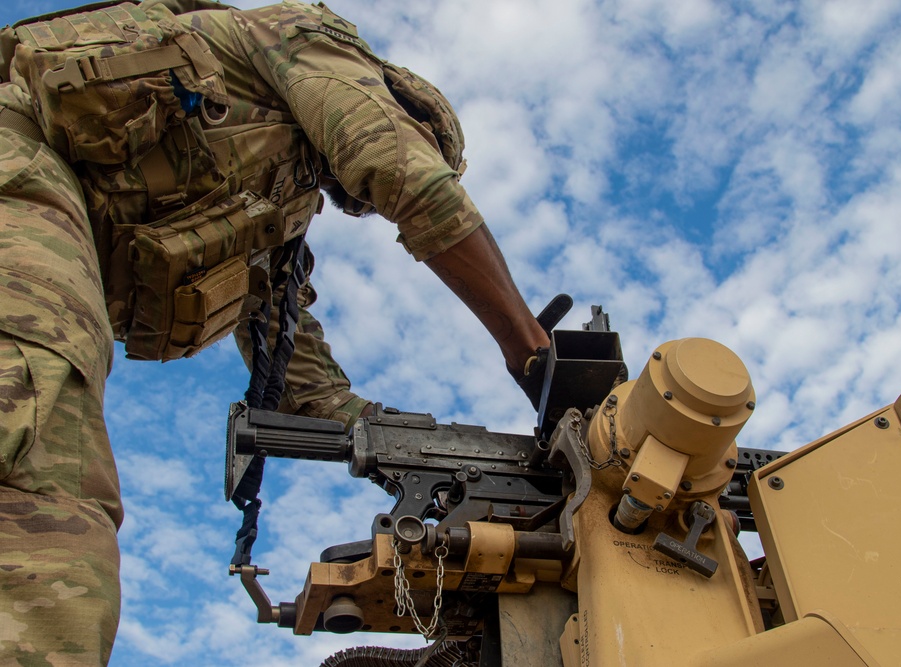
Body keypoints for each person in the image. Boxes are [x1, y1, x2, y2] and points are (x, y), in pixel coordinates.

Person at [0, 0, 549, 663]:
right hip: (18, 151)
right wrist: (535, 356)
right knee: (42, 506)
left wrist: (434, 459)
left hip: (50, 204)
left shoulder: (275, 226)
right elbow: (407, 176)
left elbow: (305, 385)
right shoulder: (311, 41)